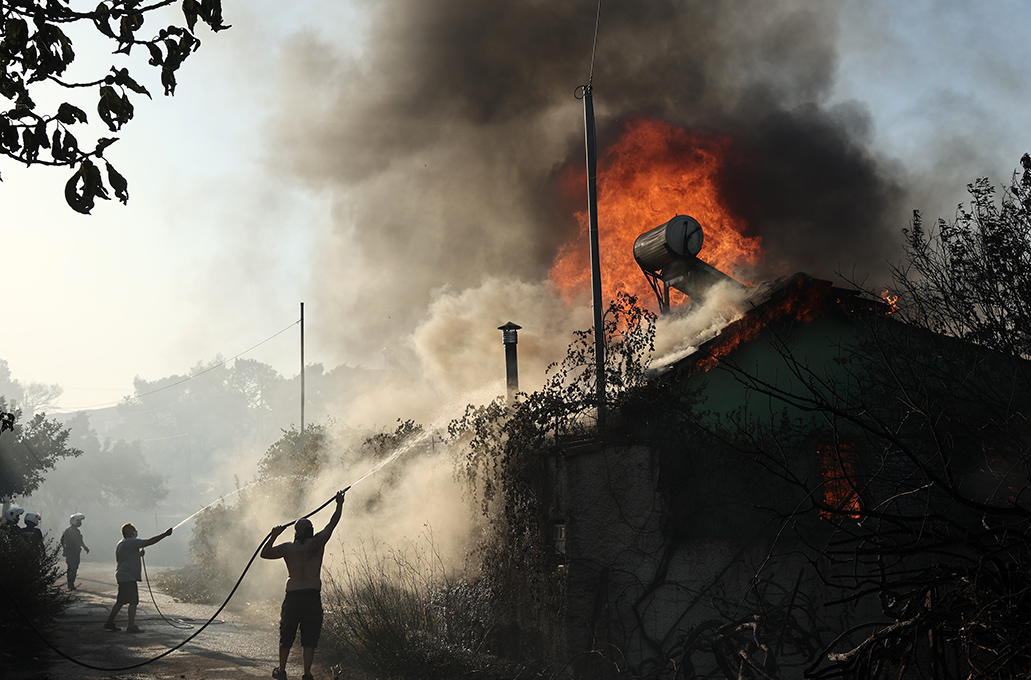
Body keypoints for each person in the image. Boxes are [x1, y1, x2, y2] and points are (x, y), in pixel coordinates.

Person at [261, 489, 346, 680]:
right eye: (310, 526)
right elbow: (332, 523)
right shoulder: (317, 543)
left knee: (289, 635)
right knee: (308, 638)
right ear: (308, 530)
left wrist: (274, 535)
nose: (312, 529)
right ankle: (306, 674)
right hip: (310, 597)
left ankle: (283, 671)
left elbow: (265, 552)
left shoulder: (288, 548)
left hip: (294, 597)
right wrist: (339, 504)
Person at [103, 522, 172, 633]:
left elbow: (125, 558)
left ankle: (109, 623)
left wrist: (138, 555)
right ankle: (130, 626)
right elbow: (149, 541)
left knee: (121, 601)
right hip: (128, 576)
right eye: (133, 529)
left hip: (123, 575)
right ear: (128, 532)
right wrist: (165, 534)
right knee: (133, 602)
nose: (135, 531)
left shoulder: (122, 543)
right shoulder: (131, 542)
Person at [60, 513, 90, 590]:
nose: (80, 523)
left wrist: (64, 549)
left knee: (71, 567)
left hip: (71, 552)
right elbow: (79, 541)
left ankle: (70, 583)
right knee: (73, 568)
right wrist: (85, 547)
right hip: (74, 552)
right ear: (74, 521)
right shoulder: (75, 531)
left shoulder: (68, 530)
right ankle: (70, 583)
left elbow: (62, 540)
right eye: (78, 521)